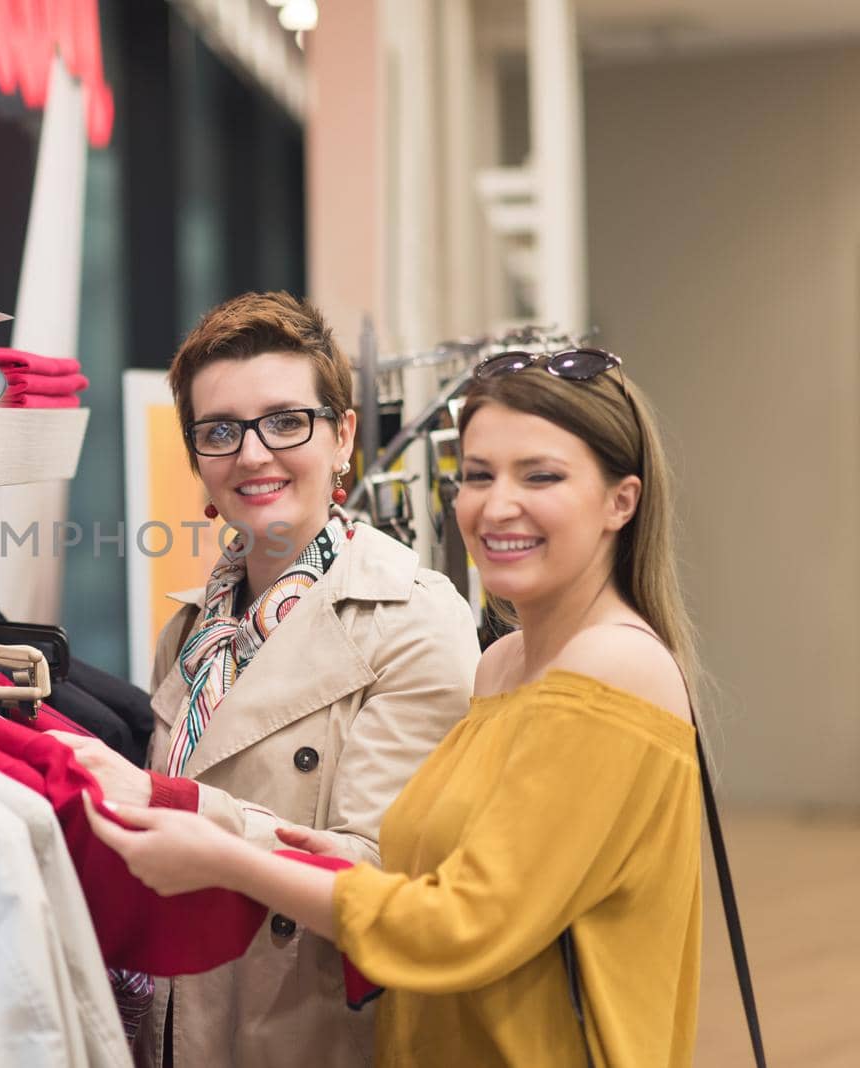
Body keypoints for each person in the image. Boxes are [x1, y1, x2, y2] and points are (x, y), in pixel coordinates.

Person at [84, 345, 705, 1067]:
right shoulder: (504, 662)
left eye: (541, 476)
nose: (496, 504)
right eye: (477, 475)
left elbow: (462, 922)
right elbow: (435, 870)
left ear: (620, 501)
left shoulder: (606, 664)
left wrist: (226, 853)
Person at [48, 292, 479, 1068]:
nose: (252, 455)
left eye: (286, 422)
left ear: (343, 435)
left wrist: (180, 812)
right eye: (219, 431)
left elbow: (387, 878)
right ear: (194, 458)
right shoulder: (195, 626)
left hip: (307, 1032)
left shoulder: (415, 621)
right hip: (180, 1019)